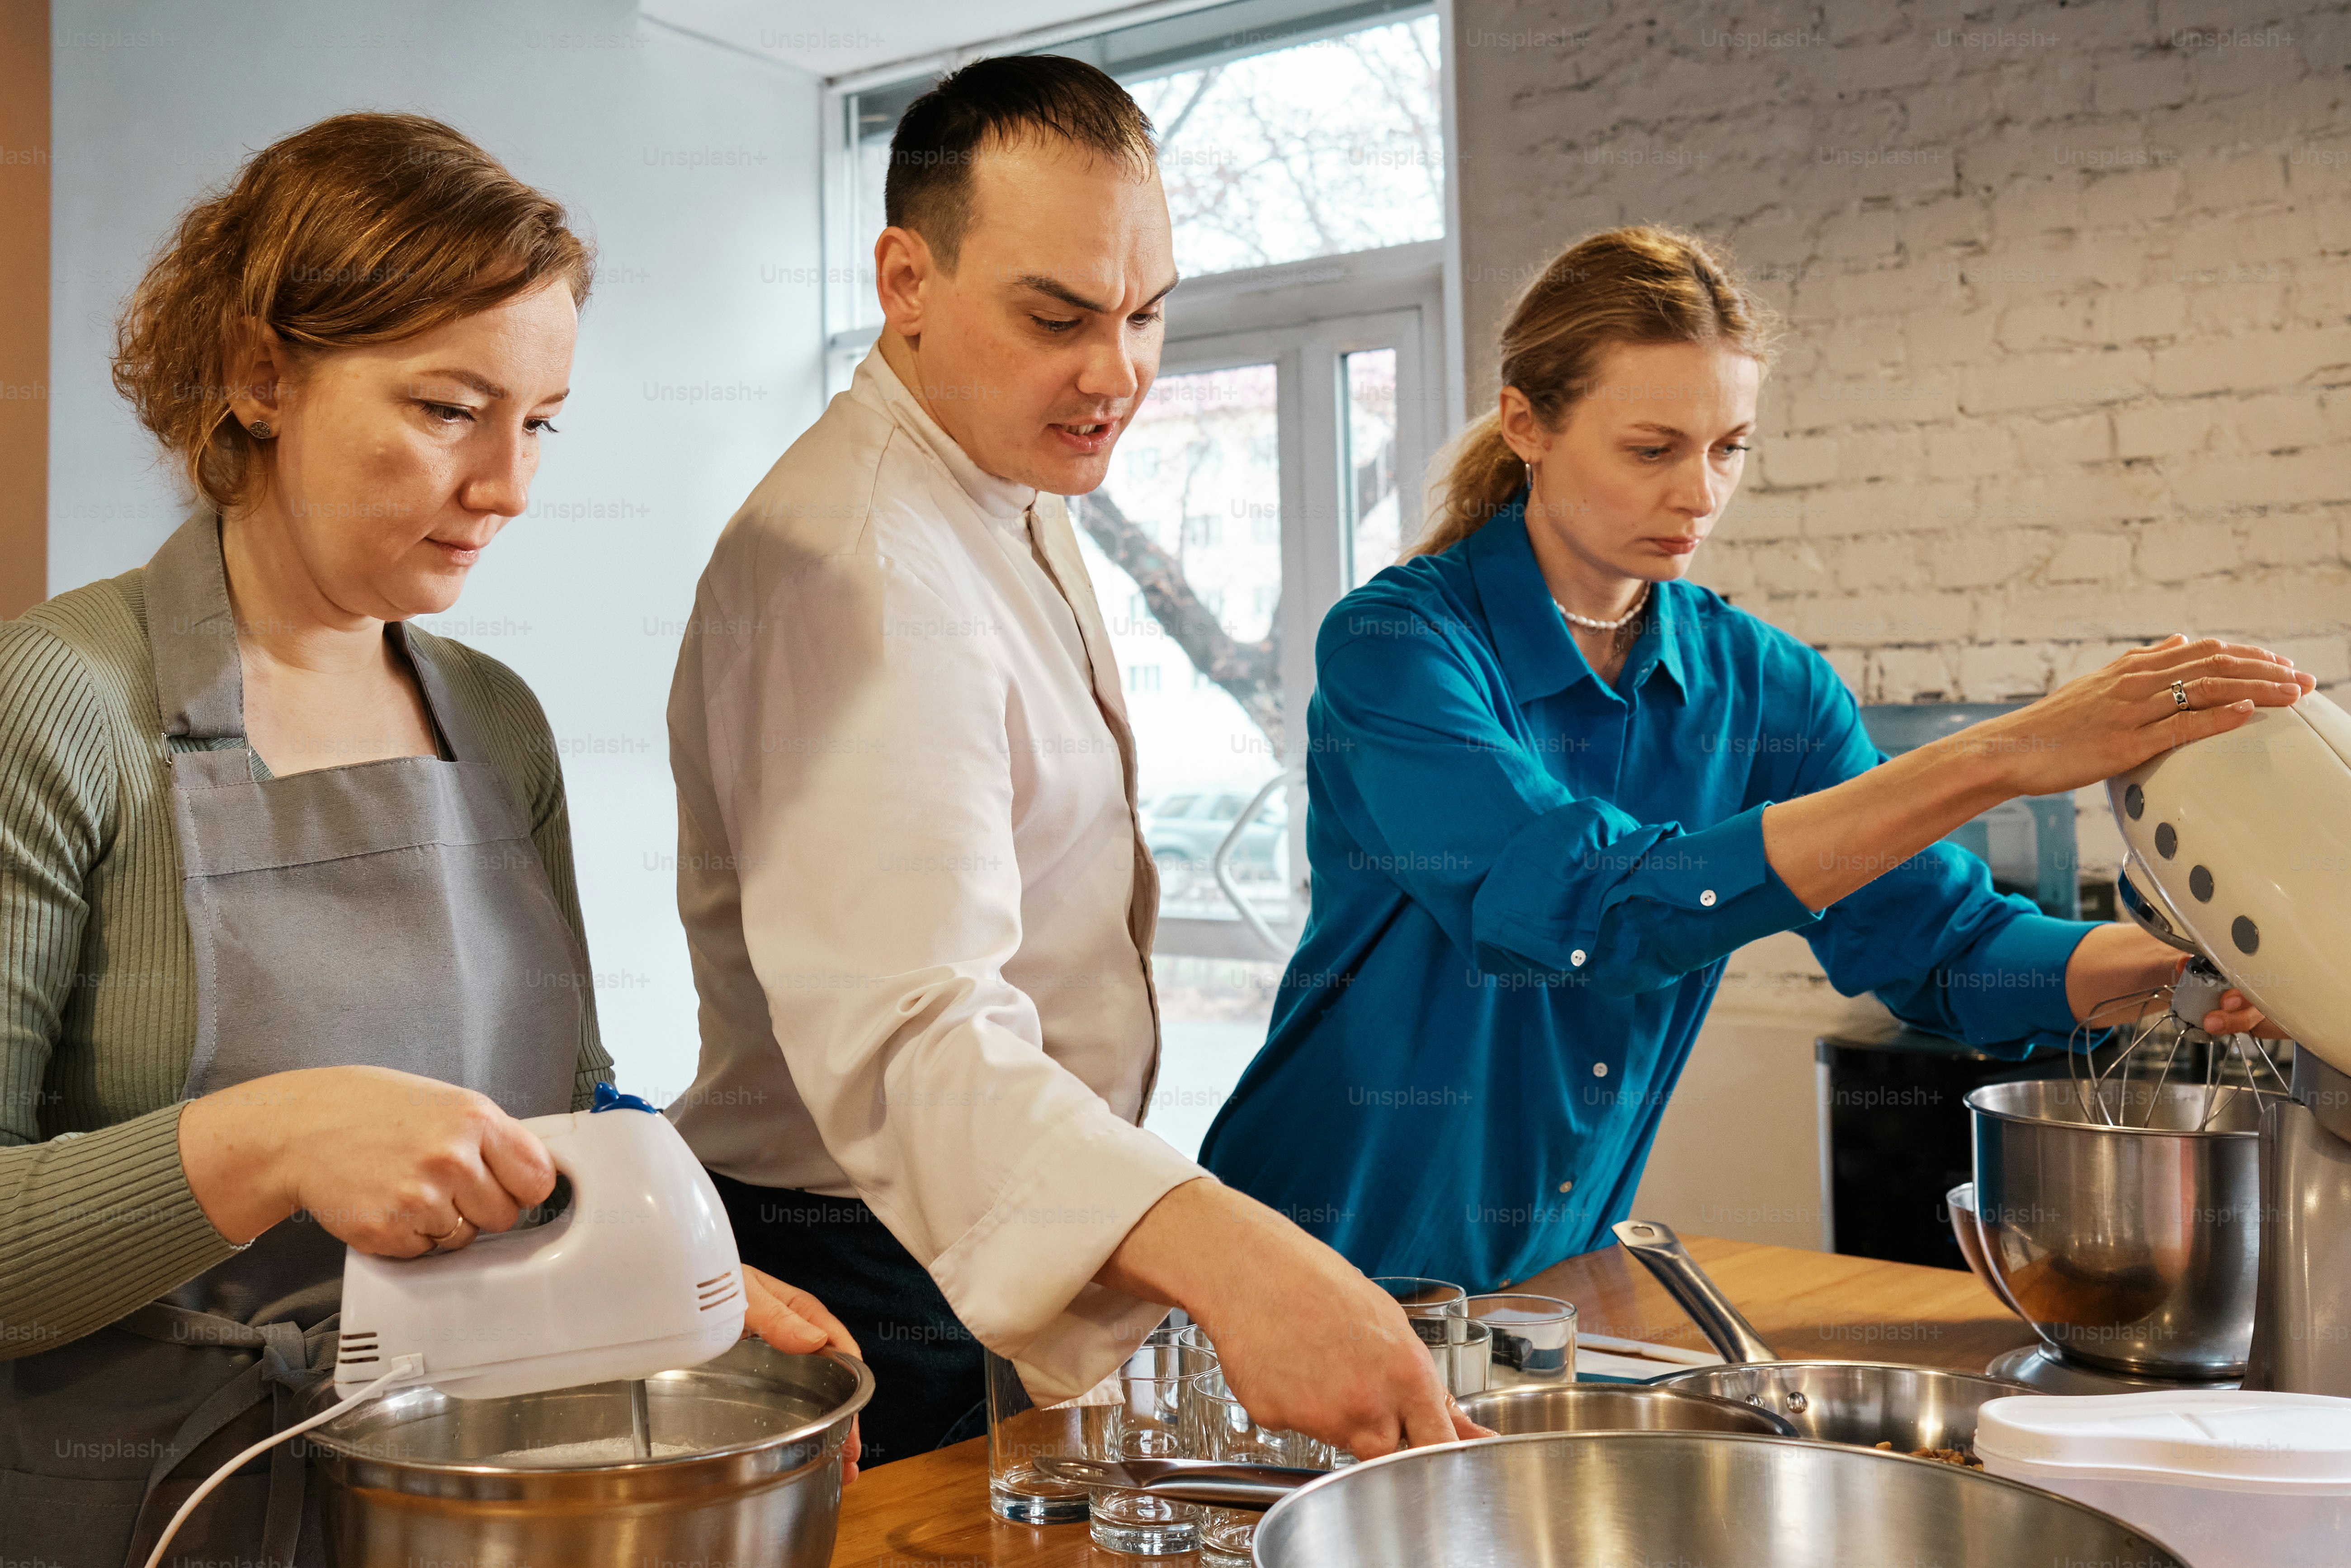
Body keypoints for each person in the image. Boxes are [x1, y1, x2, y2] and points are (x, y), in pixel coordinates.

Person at [0, 114, 854, 1568]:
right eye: (452, 409)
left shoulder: (495, 724)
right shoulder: (58, 704)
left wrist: (676, 1262)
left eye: (542, 421)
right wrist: (268, 1138)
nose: (509, 485)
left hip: (458, 1504)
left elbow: (564, 1099)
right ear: (261, 374)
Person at [1196, 224, 2303, 1289]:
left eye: (1727, 448)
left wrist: (2191, 971)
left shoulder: (1767, 688)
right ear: (1524, 424)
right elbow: (1584, 915)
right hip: (1307, 1253)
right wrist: (2001, 755)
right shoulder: (1397, 647)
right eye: (1651, 450)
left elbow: (1946, 951)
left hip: (1552, 1278)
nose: (1699, 494)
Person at [666, 56, 1480, 1468]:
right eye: (1057, 317)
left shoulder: (998, 480)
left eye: (1146, 312)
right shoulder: (859, 562)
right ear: (905, 281)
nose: (1118, 374)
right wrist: (1232, 1257)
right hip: (870, 1255)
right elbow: (915, 1025)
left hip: (982, 1228)